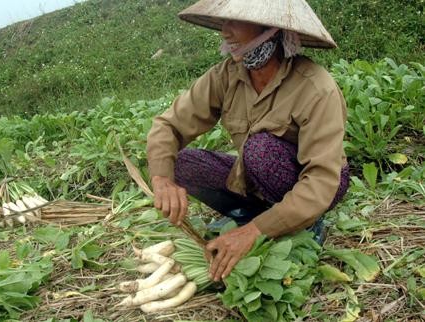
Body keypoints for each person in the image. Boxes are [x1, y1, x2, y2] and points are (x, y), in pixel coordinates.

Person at [146, 0, 349, 282]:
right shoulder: (226, 76)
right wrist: (161, 179)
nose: (224, 31)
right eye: (224, 21)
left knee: (260, 151)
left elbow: (320, 181)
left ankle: (300, 223)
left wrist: (253, 233)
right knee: (180, 163)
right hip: (257, 177)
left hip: (320, 184)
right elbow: (168, 125)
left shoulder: (315, 87)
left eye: (235, 21)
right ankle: (261, 215)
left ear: (271, 28)